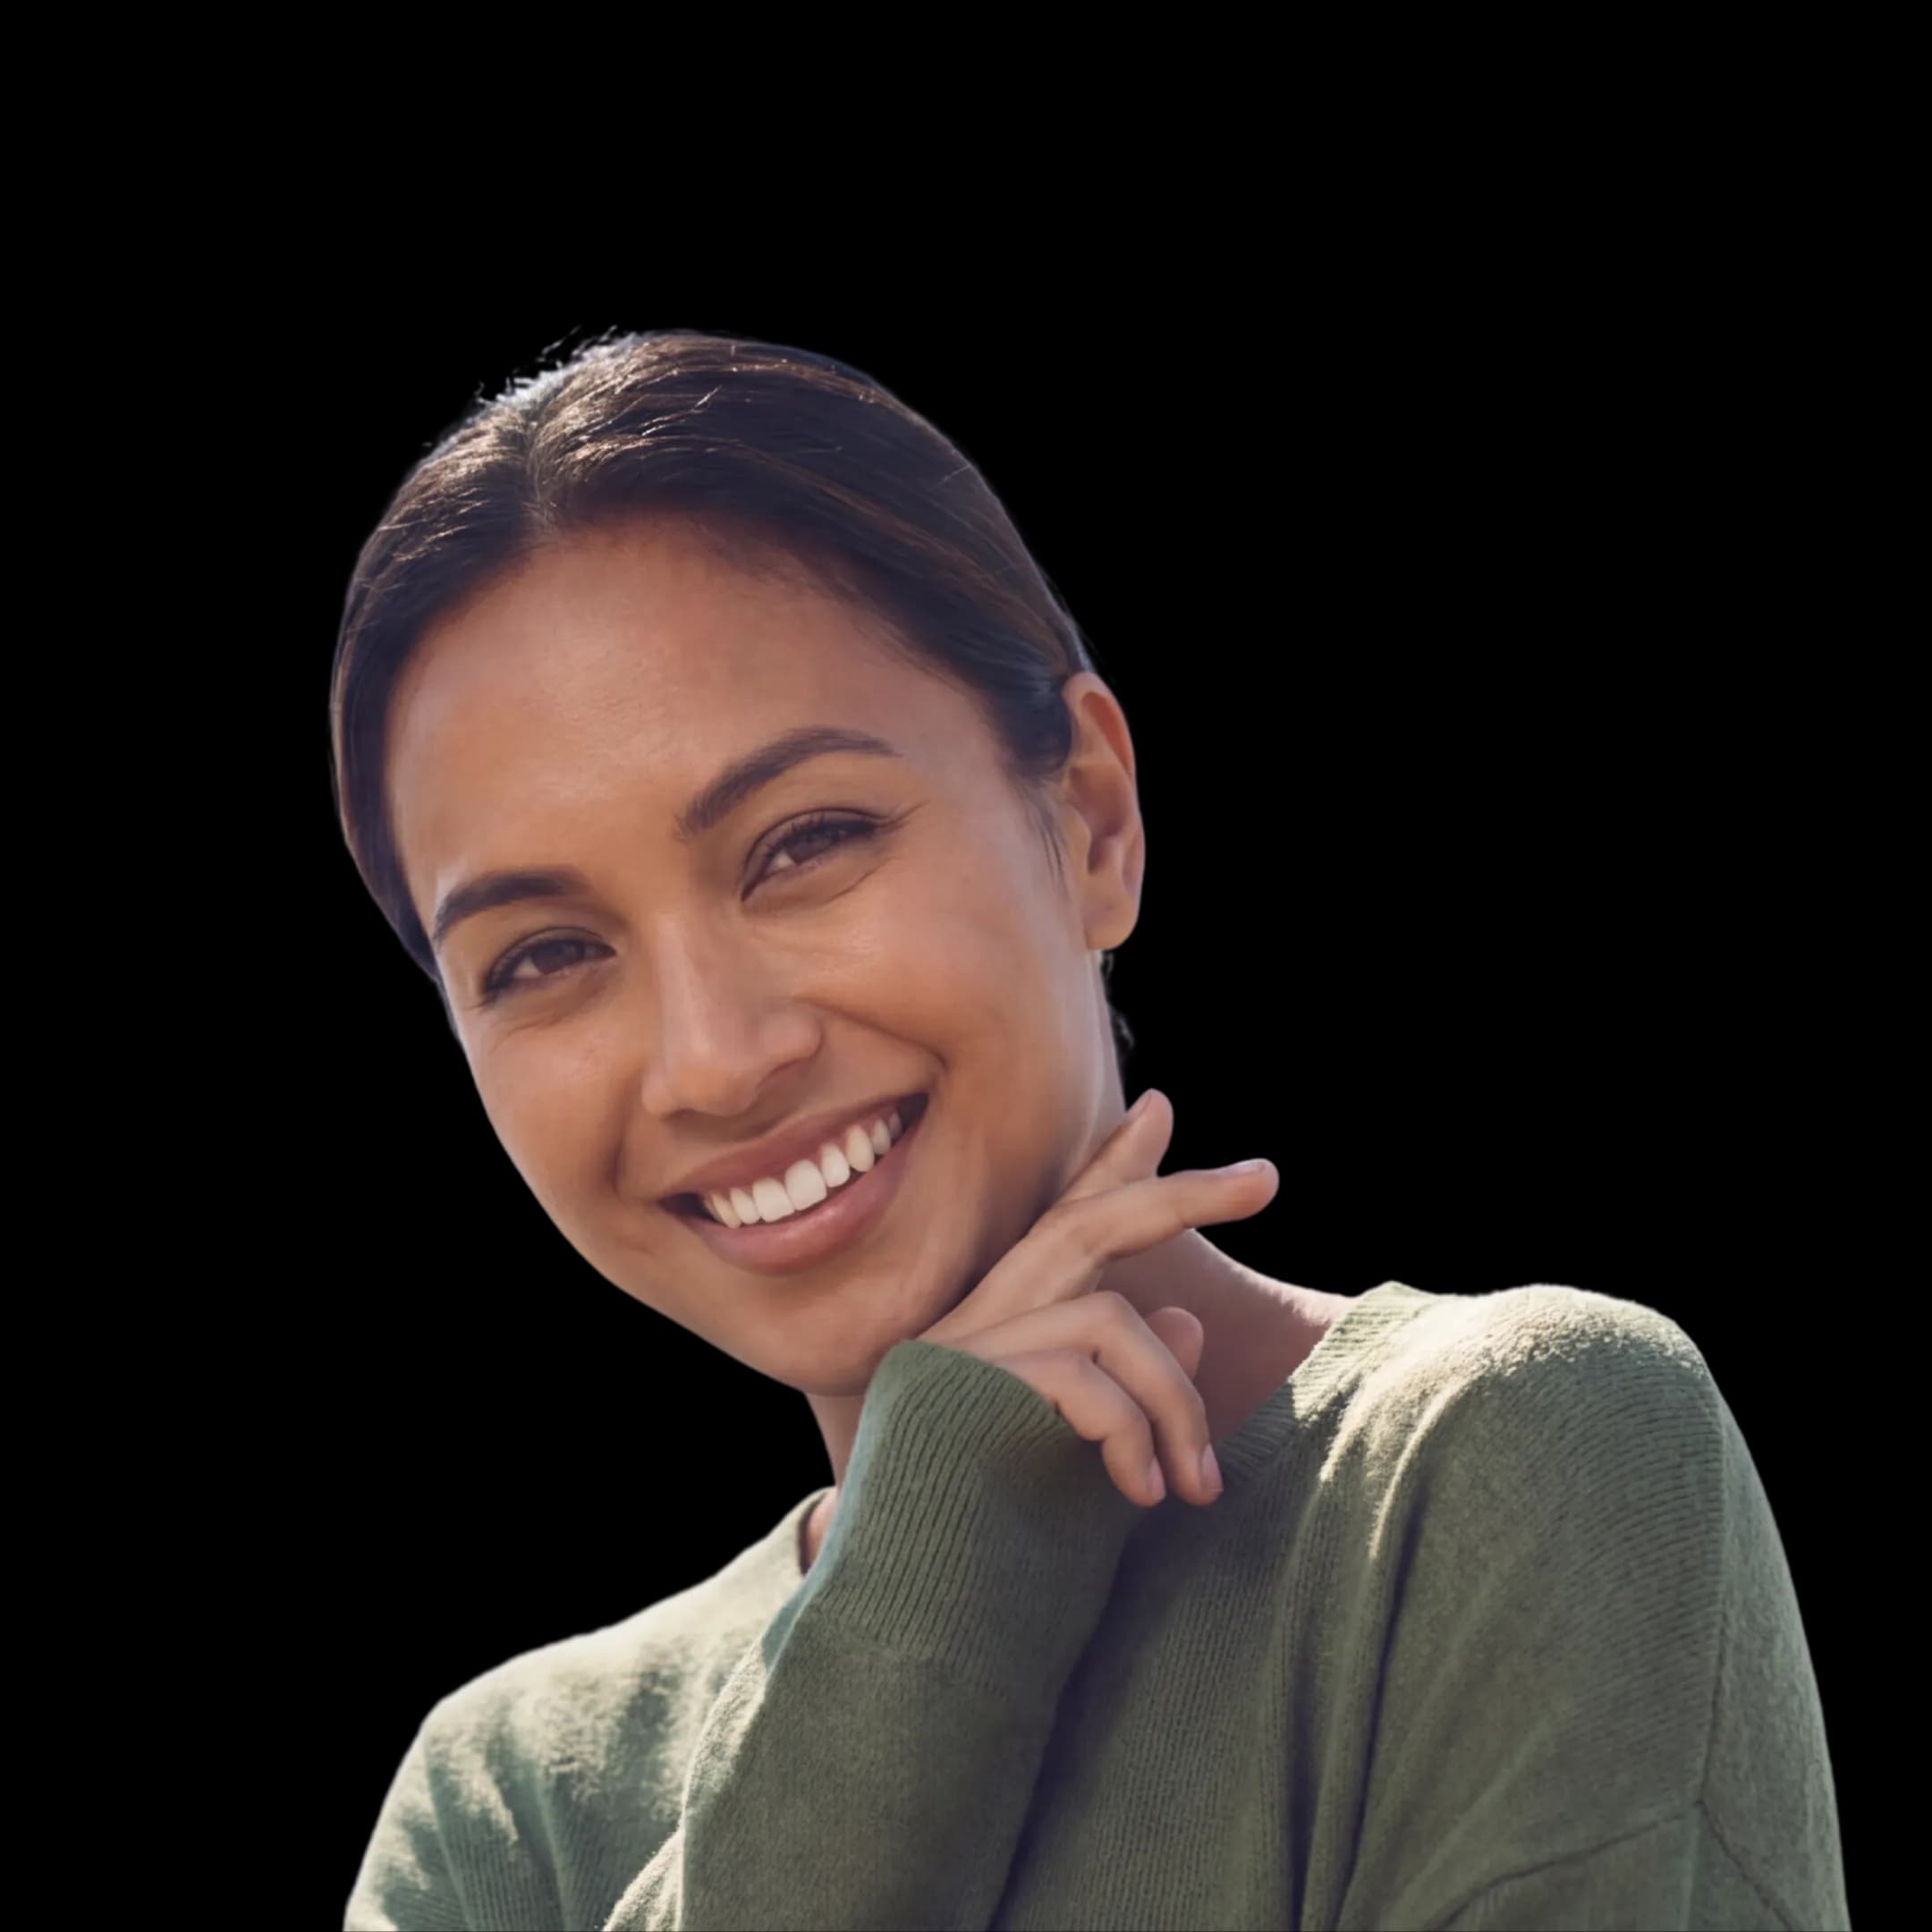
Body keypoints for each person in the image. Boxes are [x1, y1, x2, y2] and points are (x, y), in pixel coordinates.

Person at [337, 331, 1848, 1929]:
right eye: (547, 958)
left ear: (1094, 821)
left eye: (806, 843)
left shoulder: (1493, 1470)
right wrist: (925, 1593)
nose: (712, 1062)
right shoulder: (501, 1803)